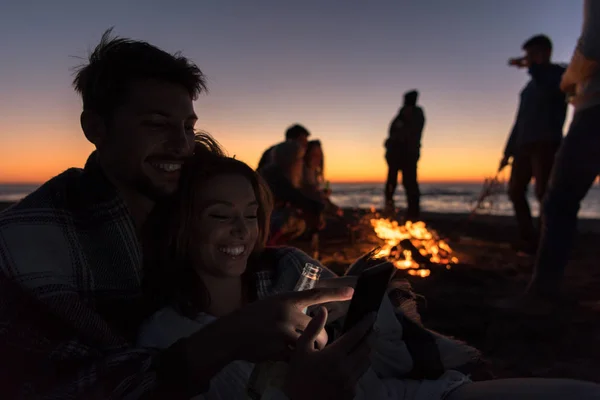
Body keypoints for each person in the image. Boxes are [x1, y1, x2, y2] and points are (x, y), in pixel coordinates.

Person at [0, 29, 352, 398]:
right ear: (96, 128)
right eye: (156, 124)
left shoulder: (183, 199)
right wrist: (221, 342)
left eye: (188, 127)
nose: (182, 145)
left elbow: (256, 260)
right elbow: (64, 385)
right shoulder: (30, 243)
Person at [138, 153, 600, 399]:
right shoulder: (170, 339)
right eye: (220, 215)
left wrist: (393, 324)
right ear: (181, 225)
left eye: (252, 214)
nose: (243, 230)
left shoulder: (289, 271)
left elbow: (385, 343)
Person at [522, 1, 600, 304]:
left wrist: (570, 80)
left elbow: (592, 46)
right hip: (537, 139)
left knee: (558, 201)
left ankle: (541, 294)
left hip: (593, 110)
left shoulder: (552, 75)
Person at [499, 34, 567, 255]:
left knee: (544, 194)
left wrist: (532, 67)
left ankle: (547, 243)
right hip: (523, 146)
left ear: (545, 52)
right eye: (527, 54)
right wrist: (507, 152)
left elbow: (549, 89)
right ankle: (529, 237)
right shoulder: (528, 87)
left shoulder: (558, 75)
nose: (527, 58)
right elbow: (519, 121)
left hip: (546, 143)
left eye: (532, 54)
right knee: (516, 191)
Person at [260, 140, 325, 244]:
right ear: (289, 159)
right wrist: (316, 211)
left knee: (297, 219)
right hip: (260, 224)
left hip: (263, 222)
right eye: (299, 159)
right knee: (291, 219)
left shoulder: (275, 173)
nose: (301, 163)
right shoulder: (274, 177)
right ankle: (266, 246)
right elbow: (296, 198)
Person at [384, 90, 425, 221]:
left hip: (408, 155)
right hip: (395, 155)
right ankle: (389, 209)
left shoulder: (416, 113)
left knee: (410, 183)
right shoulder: (401, 114)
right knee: (391, 183)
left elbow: (410, 134)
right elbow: (392, 131)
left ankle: (413, 214)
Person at [302, 139, 343, 217]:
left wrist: (330, 203)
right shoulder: (303, 172)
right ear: (306, 154)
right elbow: (309, 195)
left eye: (319, 155)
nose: (317, 158)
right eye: (314, 155)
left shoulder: (315, 174)